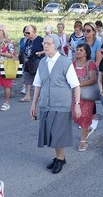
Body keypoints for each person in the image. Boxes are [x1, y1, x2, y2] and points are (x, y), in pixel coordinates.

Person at [30, 34, 81, 174]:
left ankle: (60, 159)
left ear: (56, 45)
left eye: (49, 43)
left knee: (57, 134)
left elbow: (76, 85)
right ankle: (59, 157)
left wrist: (77, 104)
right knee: (51, 135)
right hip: (45, 104)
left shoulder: (65, 63)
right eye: (44, 43)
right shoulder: (42, 62)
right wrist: (33, 104)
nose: (45, 46)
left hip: (61, 105)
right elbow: (38, 85)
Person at [73, 43, 98, 151]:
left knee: (84, 117)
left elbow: (93, 79)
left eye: (81, 50)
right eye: (77, 49)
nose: (78, 51)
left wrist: (79, 85)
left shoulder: (90, 63)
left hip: (86, 96)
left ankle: (83, 141)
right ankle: (87, 129)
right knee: (75, 116)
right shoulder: (72, 63)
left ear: (86, 53)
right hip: (73, 95)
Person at [84, 22, 102, 135]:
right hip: (82, 72)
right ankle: (86, 118)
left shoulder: (97, 43)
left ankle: (94, 118)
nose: (86, 32)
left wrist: (90, 70)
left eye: (88, 30)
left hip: (93, 72)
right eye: (84, 30)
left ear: (94, 31)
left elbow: (98, 60)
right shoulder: (82, 42)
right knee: (82, 96)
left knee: (89, 96)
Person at [0, 24, 16, 112]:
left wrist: (2, 54)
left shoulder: (8, 42)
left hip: (5, 67)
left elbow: (12, 55)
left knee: (6, 86)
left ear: (3, 31)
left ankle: (6, 103)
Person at [21, 25, 44, 102]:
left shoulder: (40, 40)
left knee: (38, 79)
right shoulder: (28, 40)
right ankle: (27, 95)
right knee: (27, 77)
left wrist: (41, 52)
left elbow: (47, 49)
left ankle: (40, 95)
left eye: (28, 33)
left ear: (34, 32)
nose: (26, 34)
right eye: (25, 33)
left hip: (37, 61)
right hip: (28, 61)